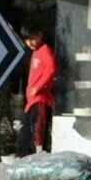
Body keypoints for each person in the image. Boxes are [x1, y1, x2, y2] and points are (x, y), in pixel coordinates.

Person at [17, 24, 56, 156]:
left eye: (32, 38)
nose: (30, 43)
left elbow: (50, 70)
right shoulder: (35, 52)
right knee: (26, 132)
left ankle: (38, 153)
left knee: (38, 130)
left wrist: (37, 87)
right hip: (32, 100)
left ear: (40, 35)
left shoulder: (45, 50)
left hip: (40, 99)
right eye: (27, 40)